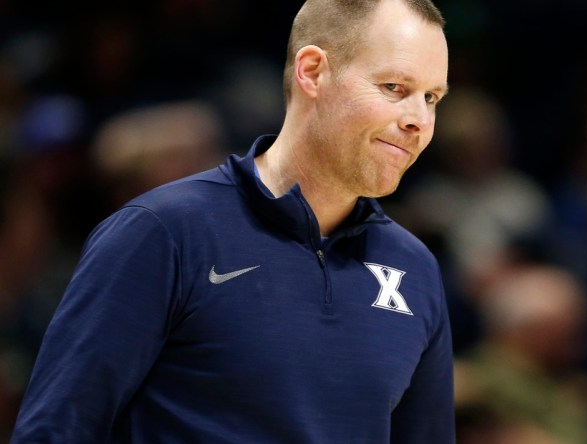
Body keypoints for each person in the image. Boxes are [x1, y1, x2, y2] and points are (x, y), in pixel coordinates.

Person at [10, 0, 455, 442]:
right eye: (395, 87)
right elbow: (55, 432)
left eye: (432, 97)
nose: (419, 120)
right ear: (313, 71)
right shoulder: (164, 232)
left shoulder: (415, 268)